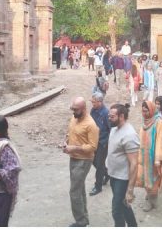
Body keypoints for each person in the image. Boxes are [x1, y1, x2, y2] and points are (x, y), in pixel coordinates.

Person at [62, 97, 99, 227]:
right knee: (79, 188)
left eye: (76, 109)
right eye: (72, 109)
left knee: (74, 191)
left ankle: (81, 221)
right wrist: (66, 142)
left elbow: (93, 147)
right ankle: (84, 218)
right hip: (74, 158)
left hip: (83, 161)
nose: (73, 112)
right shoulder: (74, 118)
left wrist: (74, 148)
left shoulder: (91, 125)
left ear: (83, 109)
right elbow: (71, 133)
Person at [107, 103, 139, 227]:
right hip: (113, 175)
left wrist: (130, 190)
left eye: (112, 117)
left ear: (121, 116)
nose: (109, 118)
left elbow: (134, 164)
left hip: (122, 178)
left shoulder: (129, 135)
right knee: (124, 205)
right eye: (109, 116)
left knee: (116, 210)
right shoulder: (114, 129)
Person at [136, 101, 162, 212]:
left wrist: (157, 158)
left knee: (153, 180)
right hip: (144, 156)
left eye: (146, 111)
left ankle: (152, 202)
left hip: (154, 158)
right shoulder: (145, 121)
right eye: (142, 111)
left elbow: (159, 141)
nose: (144, 113)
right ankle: (150, 196)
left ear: (151, 110)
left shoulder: (159, 122)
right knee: (145, 178)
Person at [89, 93, 111, 196]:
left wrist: (107, 142)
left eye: (93, 102)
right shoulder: (93, 111)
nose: (92, 103)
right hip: (94, 141)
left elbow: (111, 129)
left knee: (99, 164)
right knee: (94, 161)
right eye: (92, 101)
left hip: (103, 142)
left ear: (100, 102)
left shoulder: (106, 113)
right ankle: (106, 174)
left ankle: (98, 187)